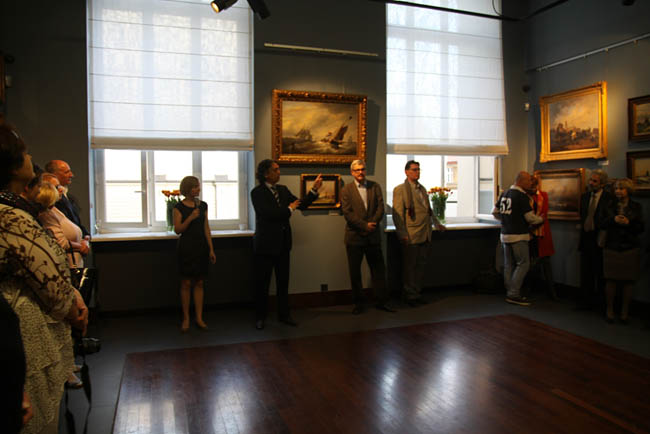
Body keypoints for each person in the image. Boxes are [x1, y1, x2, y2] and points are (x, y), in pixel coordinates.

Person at [1, 123, 88, 434]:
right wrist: (73, 306)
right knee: (37, 420)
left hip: (28, 328)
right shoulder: (10, 217)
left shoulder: (16, 211)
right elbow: (48, 276)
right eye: (25, 153)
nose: (30, 158)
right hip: (23, 331)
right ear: (12, 165)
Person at [250, 159, 322, 330]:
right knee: (262, 284)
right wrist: (289, 209)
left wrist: (313, 190)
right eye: (275, 170)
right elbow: (267, 214)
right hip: (265, 246)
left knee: (283, 283)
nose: (279, 172)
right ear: (266, 174)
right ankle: (260, 317)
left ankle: (284, 315)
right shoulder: (257, 192)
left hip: (283, 244)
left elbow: (301, 205)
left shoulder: (282, 190)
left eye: (279, 169)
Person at [341, 160, 395, 314]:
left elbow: (380, 207)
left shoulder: (375, 186)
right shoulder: (346, 190)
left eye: (363, 169)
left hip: (373, 236)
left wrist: (372, 224)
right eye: (357, 170)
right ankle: (359, 304)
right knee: (355, 273)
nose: (360, 172)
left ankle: (381, 301)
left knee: (378, 270)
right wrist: (364, 226)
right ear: (352, 172)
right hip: (354, 237)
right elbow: (347, 213)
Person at [392, 160, 445, 306]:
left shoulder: (422, 189)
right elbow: (397, 214)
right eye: (414, 169)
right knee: (410, 267)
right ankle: (409, 295)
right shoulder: (400, 190)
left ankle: (416, 293)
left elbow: (428, 210)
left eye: (418, 169)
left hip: (425, 232)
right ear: (406, 172)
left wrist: (437, 223)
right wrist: (402, 233)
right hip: (411, 234)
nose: (417, 172)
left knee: (420, 266)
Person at [492, 171, 543, 306]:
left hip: (505, 234)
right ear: (521, 181)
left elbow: (495, 212)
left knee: (508, 265)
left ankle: (509, 291)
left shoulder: (504, 193)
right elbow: (530, 218)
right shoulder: (521, 196)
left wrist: (506, 220)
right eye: (528, 180)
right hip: (519, 235)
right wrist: (541, 219)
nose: (530, 183)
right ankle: (514, 293)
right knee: (523, 263)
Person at [173, 176, 216, 332]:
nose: (198, 189)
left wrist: (211, 249)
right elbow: (178, 229)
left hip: (201, 247)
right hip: (186, 247)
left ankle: (199, 317)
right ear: (188, 189)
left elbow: (206, 228)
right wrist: (190, 218)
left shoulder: (203, 205)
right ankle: (186, 318)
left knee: (199, 282)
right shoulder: (178, 207)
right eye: (195, 187)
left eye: (198, 186)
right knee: (186, 283)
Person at [600, 178, 644, 324]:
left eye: (621, 188)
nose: (618, 191)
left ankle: (625, 312)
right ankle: (610, 310)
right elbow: (601, 223)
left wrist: (628, 223)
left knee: (628, 281)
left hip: (629, 247)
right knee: (610, 279)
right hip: (612, 246)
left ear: (628, 190)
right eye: (616, 188)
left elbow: (641, 228)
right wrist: (613, 220)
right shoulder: (609, 205)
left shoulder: (636, 206)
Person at [577, 169, 613, 310]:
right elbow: (583, 214)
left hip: (600, 238)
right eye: (590, 180)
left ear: (602, 184)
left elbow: (609, 218)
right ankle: (586, 302)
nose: (591, 183)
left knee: (600, 273)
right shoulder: (585, 197)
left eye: (595, 181)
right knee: (586, 272)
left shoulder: (608, 198)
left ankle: (601, 304)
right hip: (586, 238)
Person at [37, 174, 89, 268]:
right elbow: (60, 242)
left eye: (59, 186)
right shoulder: (45, 213)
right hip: (64, 265)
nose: (61, 189)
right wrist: (81, 246)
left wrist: (84, 240)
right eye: (56, 187)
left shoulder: (54, 209)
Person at [528, 175, 557, 300]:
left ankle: (552, 292)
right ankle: (529, 290)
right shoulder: (526, 197)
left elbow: (544, 213)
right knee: (531, 263)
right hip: (530, 233)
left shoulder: (543, 195)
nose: (532, 188)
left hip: (542, 232)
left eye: (534, 186)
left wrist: (533, 223)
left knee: (546, 263)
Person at [45, 159, 90, 238]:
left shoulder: (70, 198)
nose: (71, 175)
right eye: (66, 172)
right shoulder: (50, 201)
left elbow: (76, 223)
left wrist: (86, 236)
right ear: (53, 175)